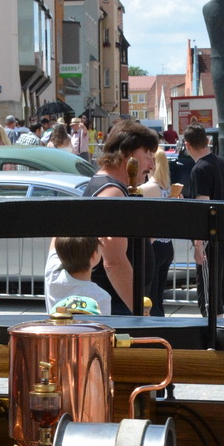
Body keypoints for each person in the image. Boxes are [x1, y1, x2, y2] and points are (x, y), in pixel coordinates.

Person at [79, 119, 159, 314]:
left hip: (117, 302)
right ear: (126, 153)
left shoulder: (109, 186)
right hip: (117, 307)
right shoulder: (112, 192)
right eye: (147, 154)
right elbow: (113, 261)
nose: (151, 164)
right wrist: (139, 312)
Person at [183, 125, 224, 313]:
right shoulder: (222, 164)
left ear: (187, 145)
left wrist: (198, 246)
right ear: (207, 141)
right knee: (218, 296)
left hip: (210, 238)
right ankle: (217, 334)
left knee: (207, 298)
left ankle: (210, 338)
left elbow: (202, 207)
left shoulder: (200, 169)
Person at [138, 147, 180, 316]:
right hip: (166, 246)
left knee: (149, 297)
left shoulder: (148, 188)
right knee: (158, 297)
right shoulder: (167, 188)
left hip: (153, 246)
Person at [45, 236, 112, 314]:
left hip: (56, 326)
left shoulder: (52, 274)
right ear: (94, 255)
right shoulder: (101, 297)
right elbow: (102, 325)